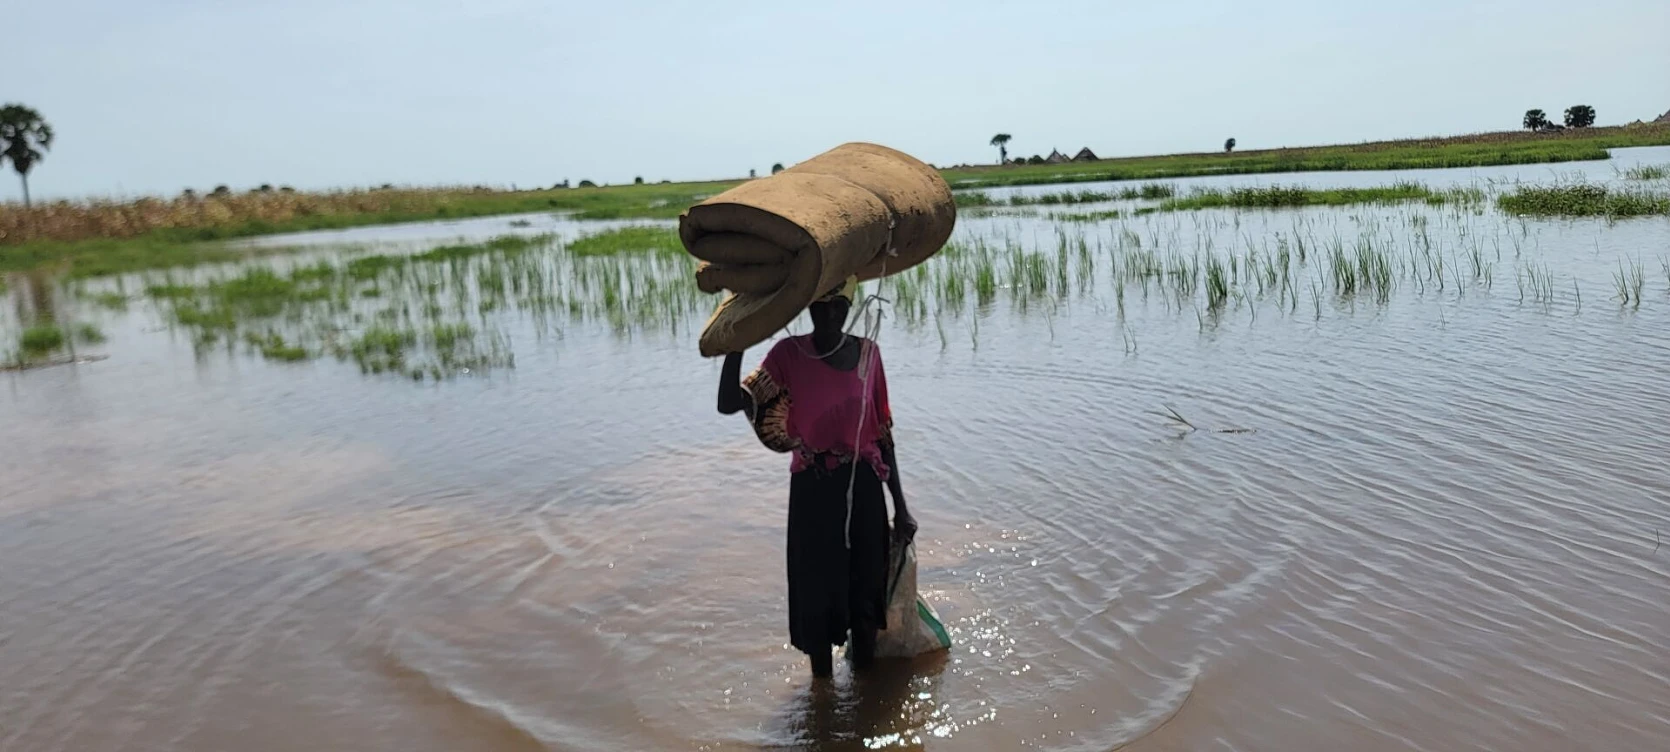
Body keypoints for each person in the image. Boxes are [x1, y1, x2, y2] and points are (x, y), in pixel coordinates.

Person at [717, 275, 917, 678]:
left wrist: (901, 507)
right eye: (818, 308)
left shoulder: (868, 356)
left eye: (836, 308)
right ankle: (822, 694)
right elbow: (727, 403)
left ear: (847, 309)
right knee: (817, 604)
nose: (827, 317)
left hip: (863, 488)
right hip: (813, 490)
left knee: (864, 602)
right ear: (807, 309)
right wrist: (737, 341)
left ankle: (857, 713)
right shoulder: (789, 355)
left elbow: (883, 432)